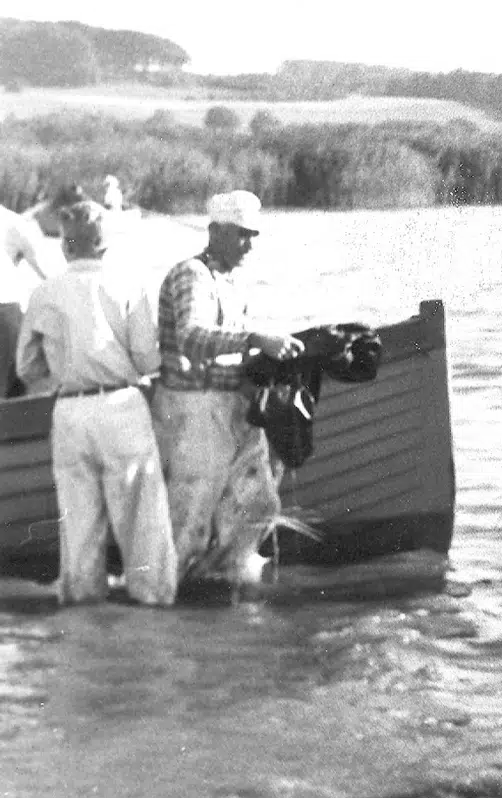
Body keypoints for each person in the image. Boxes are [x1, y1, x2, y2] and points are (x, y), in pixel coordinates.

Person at [14, 201, 177, 605]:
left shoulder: (43, 292)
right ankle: (152, 607)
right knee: (142, 524)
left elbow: (26, 368)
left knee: (79, 530)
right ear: (105, 246)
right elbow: (147, 359)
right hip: (121, 406)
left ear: (66, 247)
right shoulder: (128, 284)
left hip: (69, 411)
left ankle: (83, 616)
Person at [151, 190, 303, 589]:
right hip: (193, 409)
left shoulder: (233, 281)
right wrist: (256, 338)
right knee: (190, 522)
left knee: (260, 505)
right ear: (214, 231)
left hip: (231, 407)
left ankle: (221, 588)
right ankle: (174, 601)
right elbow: (190, 336)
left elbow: (230, 346)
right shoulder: (192, 274)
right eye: (241, 234)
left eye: (253, 235)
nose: (249, 244)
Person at [2, 205, 61, 397]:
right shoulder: (12, 221)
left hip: (5, 308)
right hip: (5, 307)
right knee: (9, 396)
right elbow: (47, 273)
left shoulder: (13, 222)